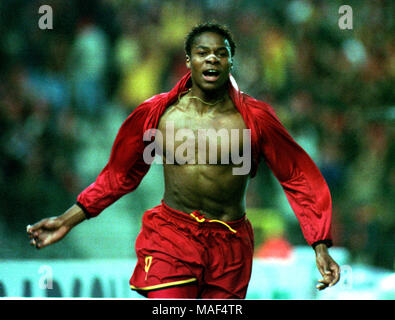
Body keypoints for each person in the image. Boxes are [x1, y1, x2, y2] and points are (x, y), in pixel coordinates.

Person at [27, 23, 340, 299]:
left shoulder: (255, 119)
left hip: (230, 245)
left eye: (221, 53)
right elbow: (119, 176)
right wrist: (67, 220)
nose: (212, 58)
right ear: (189, 61)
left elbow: (298, 175)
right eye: (203, 52)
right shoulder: (157, 114)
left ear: (231, 61)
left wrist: (320, 244)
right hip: (171, 237)